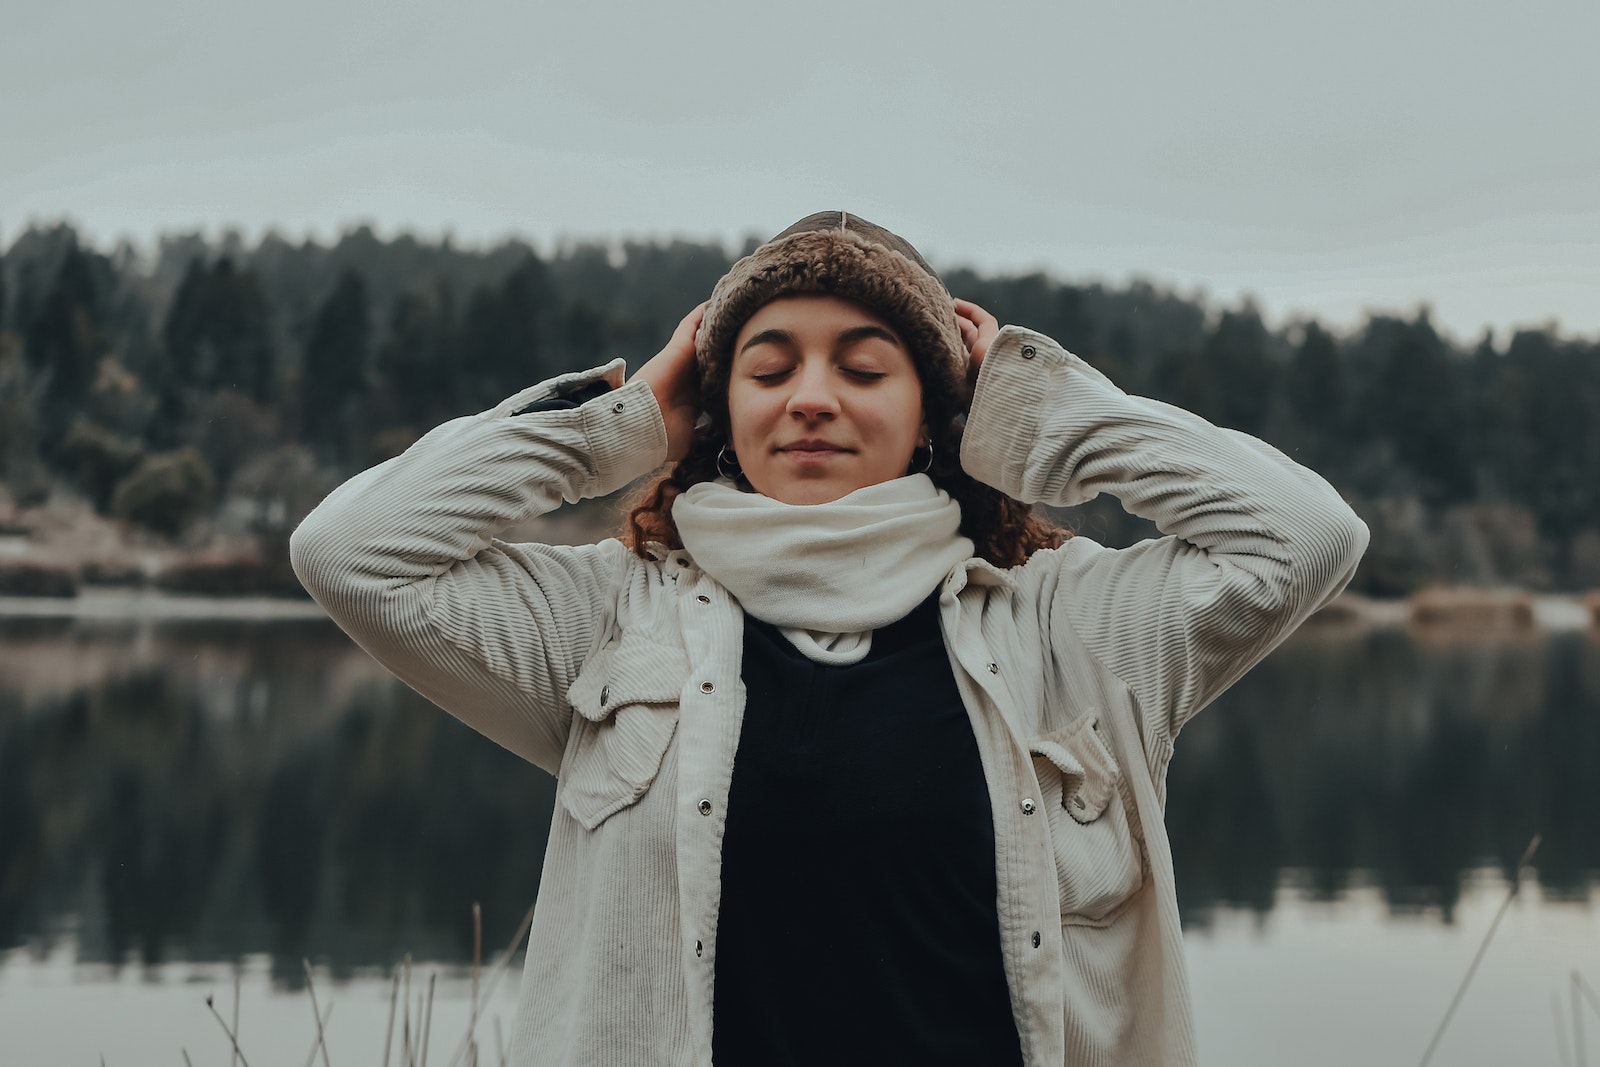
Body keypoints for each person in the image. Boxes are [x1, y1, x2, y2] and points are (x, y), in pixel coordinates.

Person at [291, 211, 1368, 1066]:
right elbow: (351, 553)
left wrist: (1038, 411)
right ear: (719, 410)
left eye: (862, 368)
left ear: (931, 414)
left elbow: (1303, 535)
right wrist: (616, 424)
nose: (810, 398)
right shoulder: (606, 619)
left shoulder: (1071, 625)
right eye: (766, 369)